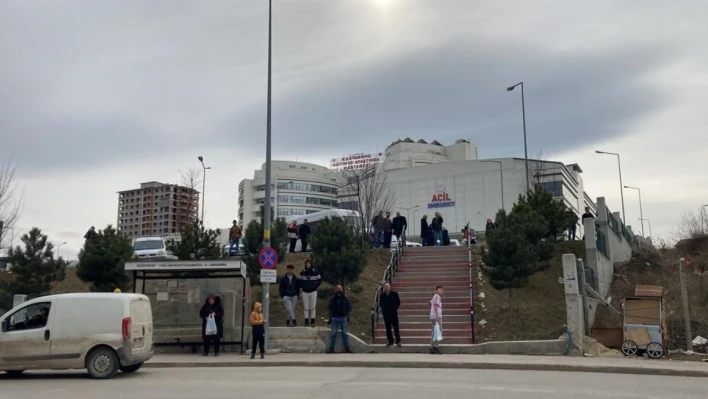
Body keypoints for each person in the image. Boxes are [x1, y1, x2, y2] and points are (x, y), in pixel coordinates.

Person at [327, 284, 352, 353]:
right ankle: (331, 348)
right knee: (333, 333)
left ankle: (347, 348)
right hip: (335, 318)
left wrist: (347, 316)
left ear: (342, 289)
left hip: (343, 318)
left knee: (345, 333)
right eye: (338, 288)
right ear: (336, 290)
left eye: (340, 288)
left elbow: (349, 307)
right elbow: (329, 307)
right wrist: (331, 316)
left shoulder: (346, 298)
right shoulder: (332, 298)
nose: (339, 289)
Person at [299, 259, 322, 327]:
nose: (308, 265)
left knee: (313, 307)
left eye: (309, 263)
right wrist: (303, 286)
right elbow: (299, 281)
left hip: (313, 292)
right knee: (306, 307)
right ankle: (306, 321)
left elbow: (320, 280)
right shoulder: (302, 272)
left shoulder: (315, 272)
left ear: (311, 264)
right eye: (307, 264)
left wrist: (315, 286)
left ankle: (312, 321)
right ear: (305, 265)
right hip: (305, 292)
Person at [379, 282, 401, 347]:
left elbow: (398, 302)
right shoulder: (382, 296)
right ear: (384, 288)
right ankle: (390, 341)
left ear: (390, 287)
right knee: (388, 329)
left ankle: (398, 341)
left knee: (396, 328)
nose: (387, 287)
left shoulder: (395, 294)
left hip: (394, 314)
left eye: (388, 286)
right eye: (385, 286)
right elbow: (381, 304)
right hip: (386, 315)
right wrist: (384, 310)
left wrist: (394, 309)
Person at [429, 285, 444, 354]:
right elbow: (435, 305)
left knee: (434, 331)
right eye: (439, 289)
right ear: (436, 290)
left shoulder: (434, 296)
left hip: (432, 316)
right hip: (436, 316)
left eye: (442, 289)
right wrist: (437, 316)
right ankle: (436, 346)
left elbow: (430, 302)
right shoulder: (437, 296)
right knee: (439, 331)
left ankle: (432, 347)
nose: (441, 290)